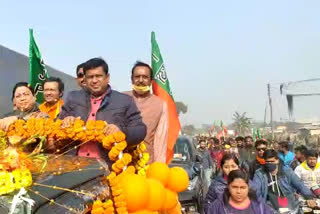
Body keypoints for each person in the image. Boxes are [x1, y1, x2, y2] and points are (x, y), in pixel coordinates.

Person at [59, 58, 146, 159]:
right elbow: (57, 123)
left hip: (108, 164)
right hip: (73, 162)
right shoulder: (73, 97)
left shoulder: (124, 101)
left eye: (98, 76)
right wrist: (65, 121)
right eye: (90, 77)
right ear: (85, 79)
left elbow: (140, 130)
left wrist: (121, 130)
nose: (94, 80)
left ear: (107, 78)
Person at [124, 61, 168, 163]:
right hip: (121, 163)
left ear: (151, 80)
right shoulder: (121, 99)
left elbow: (160, 140)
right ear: (132, 79)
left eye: (145, 77)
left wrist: (158, 169)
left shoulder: (160, 105)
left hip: (146, 165)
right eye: (137, 76)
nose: (140, 80)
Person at [252, 149, 315, 213]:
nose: (269, 164)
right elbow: (255, 191)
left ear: (277, 160)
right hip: (270, 204)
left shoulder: (286, 171)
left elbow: (300, 185)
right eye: (267, 162)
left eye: (272, 161)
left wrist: (309, 197)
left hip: (289, 201)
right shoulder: (260, 173)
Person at [206, 170, 272, 214]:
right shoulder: (218, 206)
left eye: (243, 187)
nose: (238, 191)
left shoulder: (259, 205)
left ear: (248, 187)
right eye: (234, 187)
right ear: (228, 187)